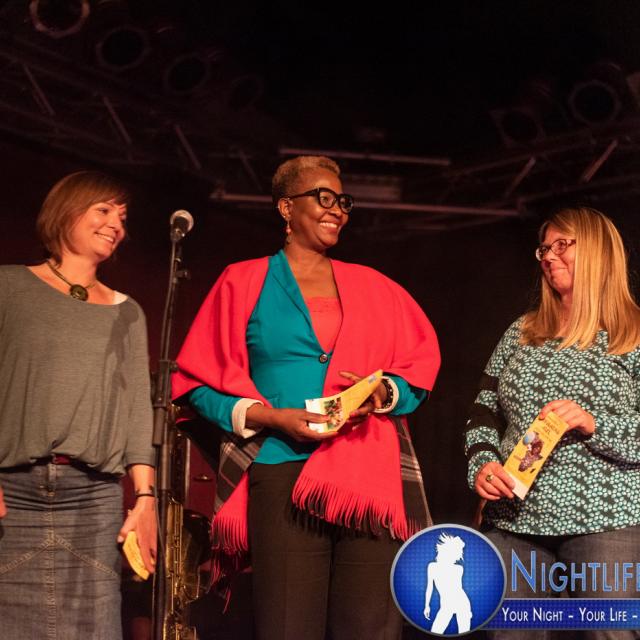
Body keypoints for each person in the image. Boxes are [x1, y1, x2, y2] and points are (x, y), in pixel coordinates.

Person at [173, 155, 440, 640]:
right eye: (323, 197)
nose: (337, 209)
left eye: (343, 201)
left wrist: (383, 392)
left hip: (367, 475)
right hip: (281, 468)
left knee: (370, 626)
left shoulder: (376, 286)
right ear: (285, 208)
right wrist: (270, 417)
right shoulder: (242, 280)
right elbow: (194, 385)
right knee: (287, 624)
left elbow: (417, 370)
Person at [465, 207, 640, 639]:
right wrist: (483, 465)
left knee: (609, 634)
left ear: (598, 250)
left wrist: (595, 423)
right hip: (514, 520)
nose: (548, 255)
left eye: (563, 245)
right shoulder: (522, 331)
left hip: (606, 520)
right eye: (544, 247)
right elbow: (484, 410)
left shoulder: (633, 333)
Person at [0, 171, 157, 640]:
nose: (116, 225)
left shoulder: (128, 312)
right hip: (12, 493)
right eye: (103, 210)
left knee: (95, 628)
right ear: (66, 211)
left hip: (93, 497)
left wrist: (144, 498)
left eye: (122, 217)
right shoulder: (8, 287)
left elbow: (137, 413)